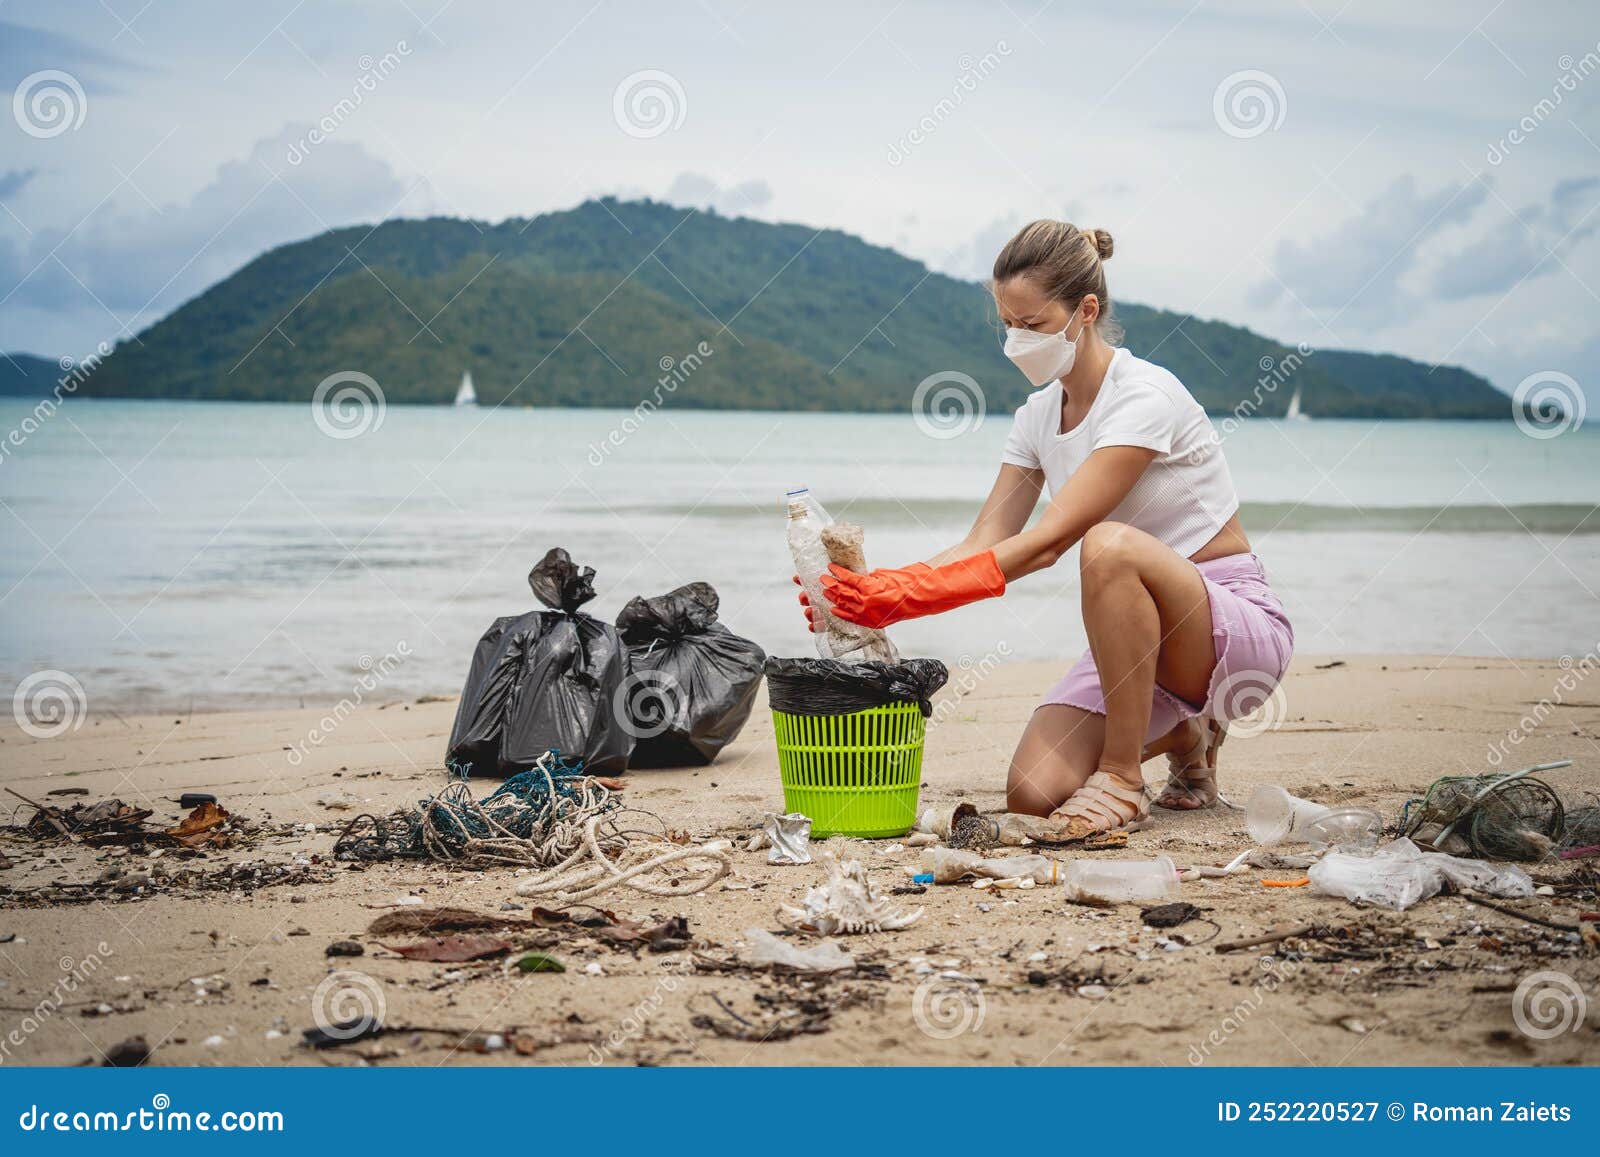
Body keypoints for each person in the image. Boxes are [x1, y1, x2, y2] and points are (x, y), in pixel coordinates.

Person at [802, 219, 1293, 839]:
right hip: (1137, 649)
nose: (1016, 340)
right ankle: (1186, 735)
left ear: (1084, 311)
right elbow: (984, 541)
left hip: (1228, 634)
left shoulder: (1145, 395)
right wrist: (878, 592)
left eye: (1031, 325)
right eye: (1008, 324)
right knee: (1035, 792)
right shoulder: (1036, 417)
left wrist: (909, 600)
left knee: (1107, 544)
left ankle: (1122, 776)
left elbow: (1052, 539)